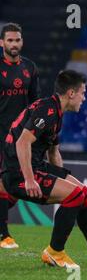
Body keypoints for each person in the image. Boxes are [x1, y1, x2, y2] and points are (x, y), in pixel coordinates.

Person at [0, 69, 87, 268]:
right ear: (71, 93)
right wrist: (29, 179)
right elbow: (22, 143)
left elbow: (54, 154)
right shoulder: (47, 111)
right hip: (18, 173)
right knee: (75, 195)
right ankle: (54, 251)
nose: (84, 98)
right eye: (83, 92)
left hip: (35, 165)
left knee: (86, 195)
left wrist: (60, 179)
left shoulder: (55, 112)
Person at [0, 23, 40, 249]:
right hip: (0, 134)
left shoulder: (30, 68)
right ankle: (3, 234)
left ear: (22, 42)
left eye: (17, 40)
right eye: (10, 40)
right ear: (2, 43)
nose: (14, 44)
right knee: (3, 183)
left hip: (20, 137)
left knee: (13, 186)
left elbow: (35, 102)